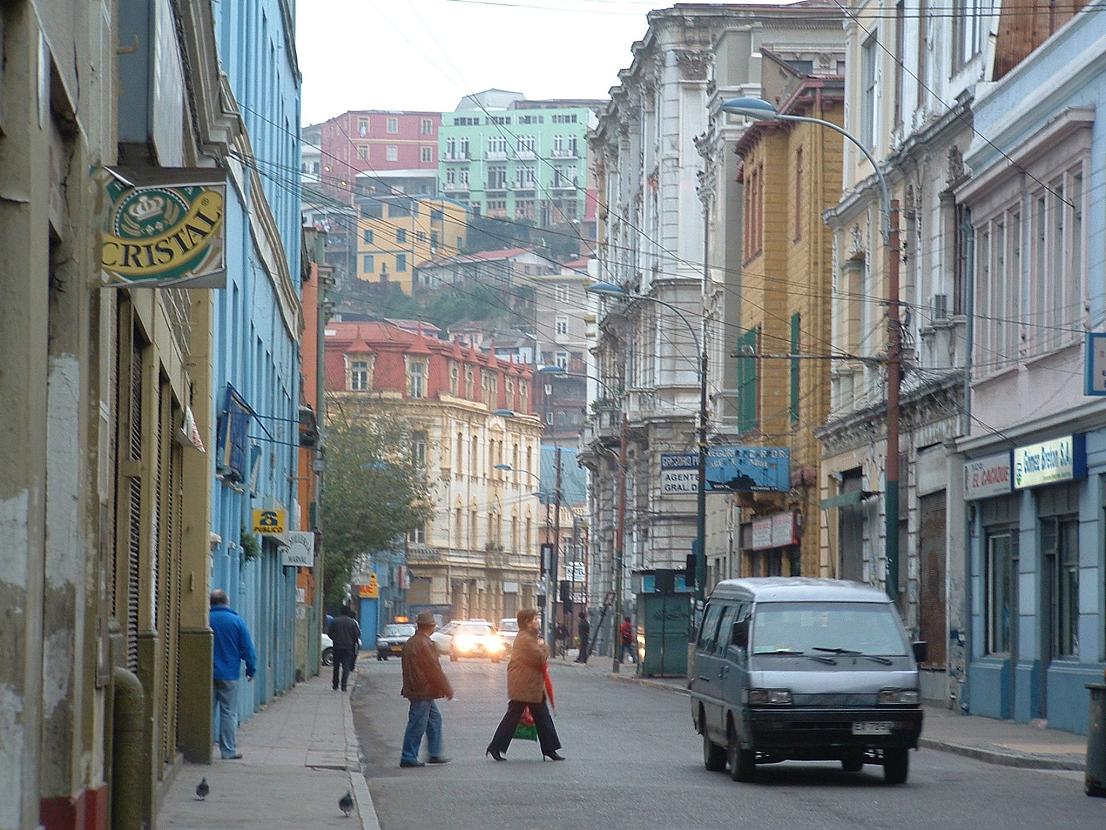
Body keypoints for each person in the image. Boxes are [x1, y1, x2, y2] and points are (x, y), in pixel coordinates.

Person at [485, 608, 564, 762]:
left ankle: (549, 749)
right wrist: (544, 646)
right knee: (520, 717)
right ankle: (496, 747)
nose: (537, 621)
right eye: (534, 619)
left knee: (539, 717)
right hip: (525, 686)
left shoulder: (528, 637)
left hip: (529, 686)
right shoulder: (526, 639)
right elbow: (540, 659)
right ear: (527, 623)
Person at [399, 611, 454, 768]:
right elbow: (433, 670)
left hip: (418, 689)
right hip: (422, 690)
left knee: (434, 720)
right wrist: (447, 688)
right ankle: (408, 756)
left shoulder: (412, 641)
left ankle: (434, 753)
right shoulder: (424, 644)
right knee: (417, 724)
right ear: (431, 626)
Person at [209, 589, 257, 760]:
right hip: (229, 674)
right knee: (228, 712)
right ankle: (227, 750)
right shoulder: (236, 621)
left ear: (211, 603)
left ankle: (204, 750)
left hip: (207, 673)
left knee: (208, 711)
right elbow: (248, 649)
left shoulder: (205, 619)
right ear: (226, 602)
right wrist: (251, 669)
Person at [329, 606, 361, 691]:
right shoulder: (352, 623)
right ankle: (344, 686)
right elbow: (357, 635)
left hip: (337, 646)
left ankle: (335, 684)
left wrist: (335, 639)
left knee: (336, 666)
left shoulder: (335, 621)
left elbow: (329, 633)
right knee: (346, 666)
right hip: (348, 647)